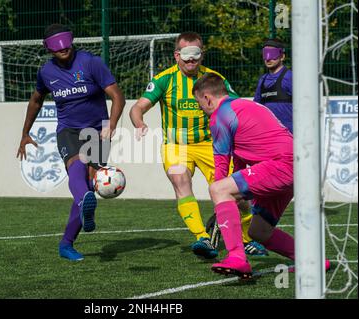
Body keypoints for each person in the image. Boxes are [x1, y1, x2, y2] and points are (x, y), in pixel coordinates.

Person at [129, 32, 266, 259]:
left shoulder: (214, 79)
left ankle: (247, 239)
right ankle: (202, 237)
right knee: (179, 178)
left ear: (202, 55)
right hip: (176, 146)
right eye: (186, 55)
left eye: (196, 54)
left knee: (238, 194)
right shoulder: (165, 79)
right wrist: (139, 122)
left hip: (209, 145)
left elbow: (235, 105)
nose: (191, 60)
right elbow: (138, 107)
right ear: (176, 55)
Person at [192, 73, 329, 278]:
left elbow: (221, 167)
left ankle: (237, 257)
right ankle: (313, 260)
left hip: (282, 164)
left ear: (207, 98)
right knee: (259, 231)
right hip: (300, 166)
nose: (200, 108)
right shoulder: (246, 106)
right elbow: (238, 163)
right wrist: (229, 203)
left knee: (217, 189)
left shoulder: (219, 116)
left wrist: (220, 202)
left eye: (198, 103)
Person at [17, 24, 125, 261]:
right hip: (68, 130)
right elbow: (36, 101)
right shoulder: (46, 72)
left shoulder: (91, 63)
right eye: (57, 46)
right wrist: (25, 133)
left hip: (97, 131)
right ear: (48, 48)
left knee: (86, 185)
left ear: (72, 41)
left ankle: (66, 243)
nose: (63, 49)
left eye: (66, 44)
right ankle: (85, 203)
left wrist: (112, 124)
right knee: (76, 167)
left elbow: (117, 96)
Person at [254, 38, 293, 133]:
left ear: (282, 56)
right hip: (269, 136)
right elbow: (256, 107)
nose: (268, 58)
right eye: (265, 54)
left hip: (289, 135)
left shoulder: (290, 77)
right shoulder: (262, 80)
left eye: (272, 54)